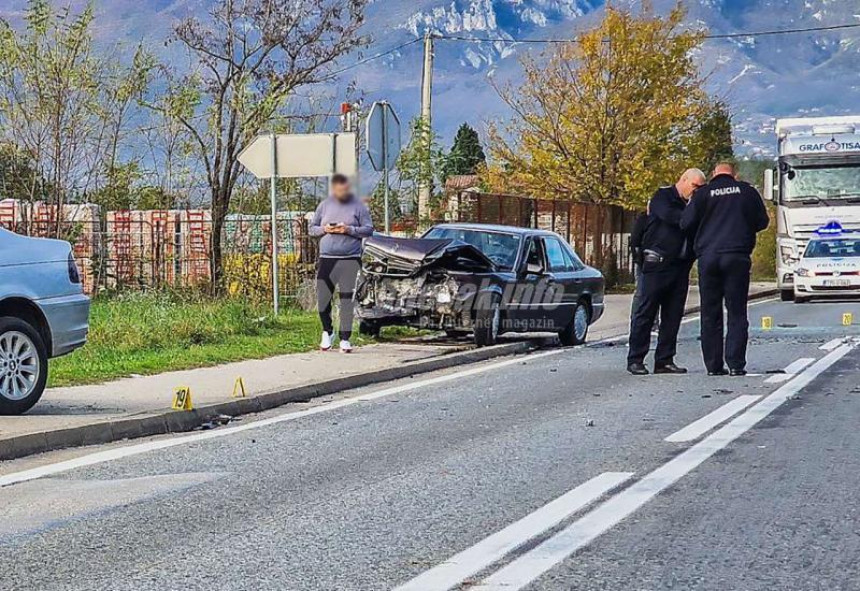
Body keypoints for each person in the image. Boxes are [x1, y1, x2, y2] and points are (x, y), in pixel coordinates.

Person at [680, 162, 770, 376]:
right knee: (737, 311)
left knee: (710, 312)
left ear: (713, 174)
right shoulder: (747, 192)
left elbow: (686, 222)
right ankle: (736, 364)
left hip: (709, 257)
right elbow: (762, 222)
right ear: (734, 174)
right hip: (737, 256)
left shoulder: (703, 194)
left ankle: (713, 365)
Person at [627, 168, 706, 376]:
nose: (696, 191)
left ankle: (664, 359)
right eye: (695, 186)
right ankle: (636, 358)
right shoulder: (663, 196)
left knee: (672, 316)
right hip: (656, 264)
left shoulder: (693, 205)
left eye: (700, 188)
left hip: (680, 267)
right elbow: (676, 219)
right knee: (645, 312)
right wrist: (694, 216)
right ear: (684, 179)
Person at [309, 174, 374, 353]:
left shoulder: (358, 207)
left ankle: (345, 337)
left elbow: (369, 229)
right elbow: (312, 229)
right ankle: (327, 331)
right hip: (327, 257)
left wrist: (349, 229)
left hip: (350, 258)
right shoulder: (324, 206)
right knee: (323, 296)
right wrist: (325, 229)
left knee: (346, 298)